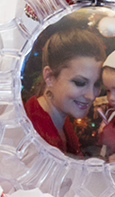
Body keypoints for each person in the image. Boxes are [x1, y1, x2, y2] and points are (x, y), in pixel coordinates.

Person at [24, 26, 106, 157]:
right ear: (49, 77)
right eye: (80, 83)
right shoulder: (33, 133)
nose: (91, 96)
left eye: (96, 84)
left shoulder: (60, 118)